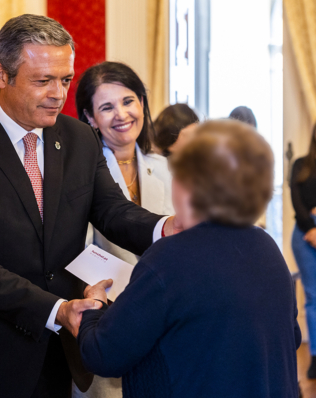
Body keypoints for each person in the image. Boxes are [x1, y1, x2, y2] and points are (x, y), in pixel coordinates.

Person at [0, 14, 179, 398]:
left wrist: (165, 228)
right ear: (1, 75)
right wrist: (57, 311)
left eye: (65, 80)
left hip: (61, 355)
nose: (59, 93)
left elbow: (111, 210)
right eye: (43, 81)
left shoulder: (79, 137)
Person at [78, 120, 301, 398]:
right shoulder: (266, 246)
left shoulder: (168, 259)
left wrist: (94, 307)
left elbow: (102, 354)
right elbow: (290, 337)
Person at [73, 61, 173, 398]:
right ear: (89, 118)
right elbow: (77, 248)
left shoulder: (167, 169)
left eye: (128, 101)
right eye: (106, 107)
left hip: (165, 319)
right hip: (109, 321)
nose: (121, 114)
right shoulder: (79, 174)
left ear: (142, 104)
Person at [291, 123, 316, 379]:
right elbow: (296, 201)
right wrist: (311, 228)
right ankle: (315, 359)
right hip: (304, 234)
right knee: (313, 297)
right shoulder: (300, 164)